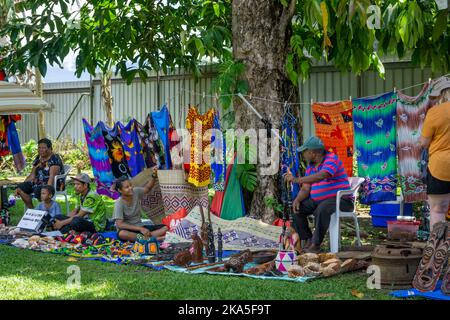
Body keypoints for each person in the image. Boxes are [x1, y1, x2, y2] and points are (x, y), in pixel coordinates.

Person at [284, 136, 353, 253]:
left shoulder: (331, 159)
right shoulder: (311, 166)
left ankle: (316, 245)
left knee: (322, 208)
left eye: (304, 152)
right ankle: (308, 240)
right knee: (296, 208)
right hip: (320, 201)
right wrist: (298, 200)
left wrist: (295, 180)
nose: (303, 155)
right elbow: (306, 188)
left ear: (312, 153)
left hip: (341, 200)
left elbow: (322, 175)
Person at [419, 76, 450, 231]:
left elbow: (423, 143)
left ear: (441, 94)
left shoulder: (435, 112)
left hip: (441, 168)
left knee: (438, 210)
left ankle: (438, 251)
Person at [113, 167, 168, 242]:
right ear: (120, 190)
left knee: (165, 228)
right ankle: (153, 239)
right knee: (122, 234)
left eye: (130, 185)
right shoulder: (119, 203)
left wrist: (154, 176)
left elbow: (147, 188)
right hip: (130, 230)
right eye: (127, 187)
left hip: (141, 227)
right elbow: (120, 225)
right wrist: (140, 229)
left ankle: (145, 239)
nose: (130, 188)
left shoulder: (135, 192)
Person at [15, 138, 64, 209]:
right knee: (20, 188)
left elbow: (52, 177)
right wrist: (22, 186)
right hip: (38, 183)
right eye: (39, 148)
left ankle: (43, 212)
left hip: (51, 184)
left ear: (50, 149)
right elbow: (32, 176)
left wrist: (47, 190)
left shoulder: (54, 159)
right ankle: (33, 211)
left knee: (38, 190)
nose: (41, 150)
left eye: (43, 148)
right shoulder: (38, 158)